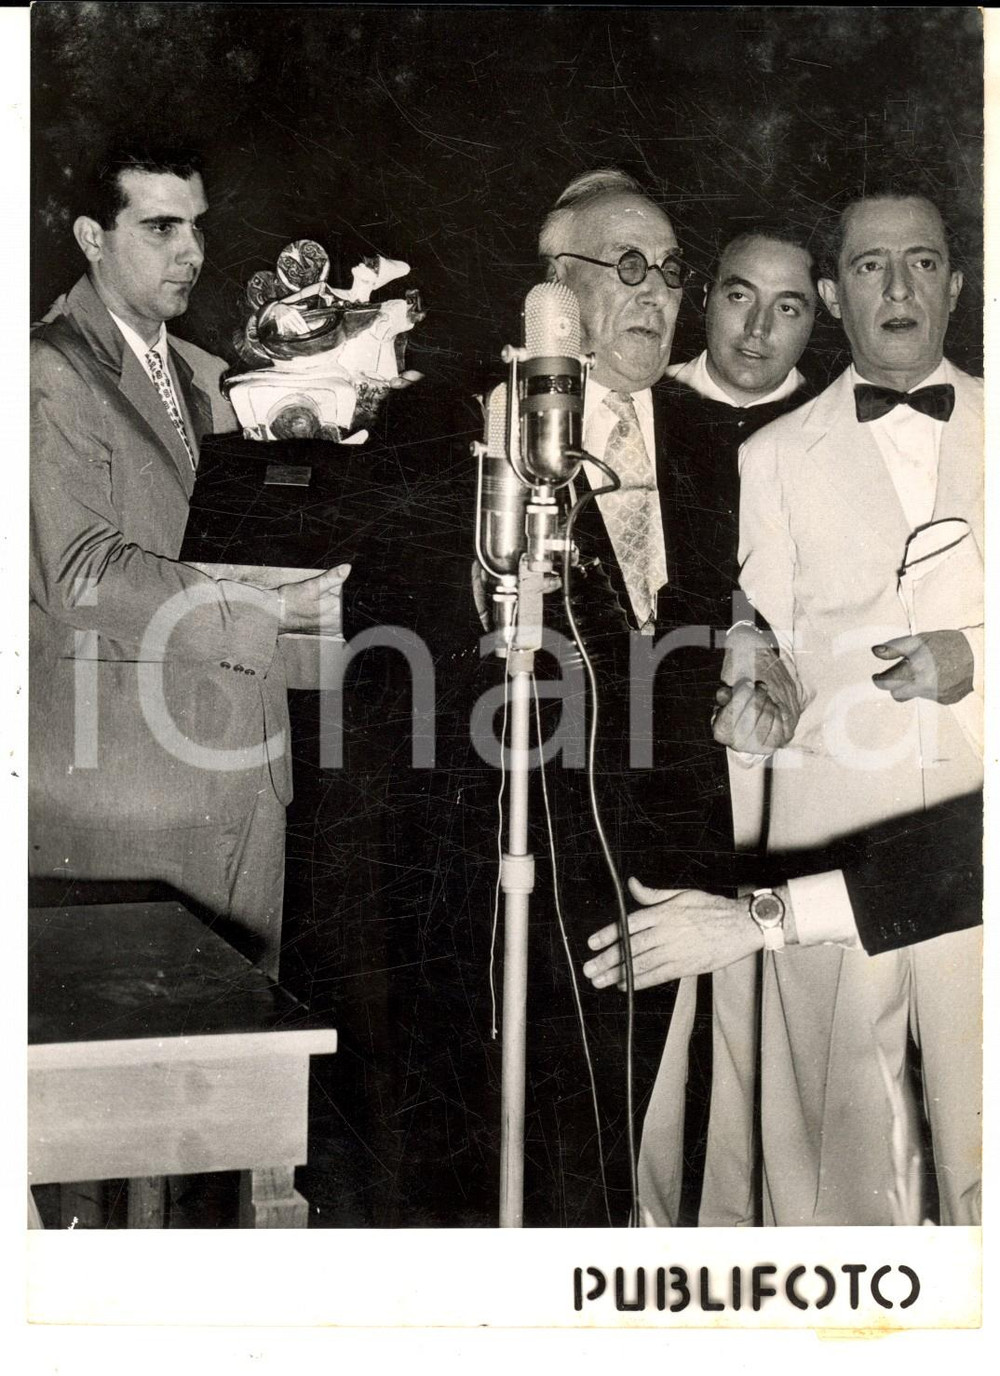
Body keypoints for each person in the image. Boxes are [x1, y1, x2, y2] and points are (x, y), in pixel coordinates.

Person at [710, 189, 983, 1226]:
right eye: (870, 266)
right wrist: (757, 686)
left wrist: (973, 659)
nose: (899, 287)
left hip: (979, 820)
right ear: (831, 294)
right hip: (826, 824)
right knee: (833, 1144)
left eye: (922, 262)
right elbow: (761, 640)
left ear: (956, 282)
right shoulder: (770, 455)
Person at [30, 146, 350, 982]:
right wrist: (269, 608)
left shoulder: (202, 377)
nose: (192, 252)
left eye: (198, 227)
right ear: (93, 237)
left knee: (242, 1069)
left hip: (242, 776)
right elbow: (82, 574)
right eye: (160, 226)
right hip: (124, 794)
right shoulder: (47, 371)